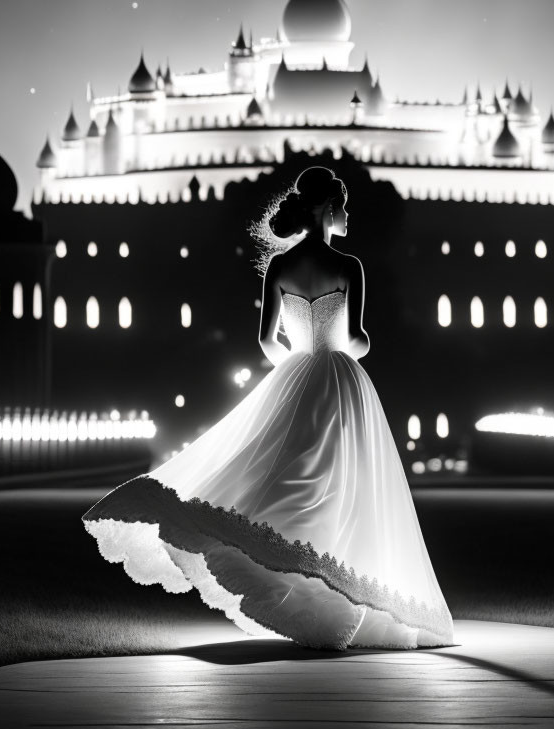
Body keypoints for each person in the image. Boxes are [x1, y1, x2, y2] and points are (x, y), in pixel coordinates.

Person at [83, 167, 454, 649]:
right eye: (343, 206)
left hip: (296, 373)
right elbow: (358, 340)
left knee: (287, 471)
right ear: (327, 209)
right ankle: (334, 588)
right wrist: (338, 352)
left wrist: (294, 370)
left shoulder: (280, 267)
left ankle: (295, 576)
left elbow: (265, 338)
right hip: (341, 381)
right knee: (344, 484)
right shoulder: (349, 267)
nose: (348, 215)